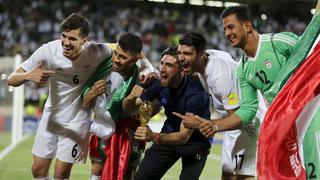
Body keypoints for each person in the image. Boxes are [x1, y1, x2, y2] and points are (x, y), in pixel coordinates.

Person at [174, 5, 298, 175]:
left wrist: (209, 124)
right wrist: (212, 125)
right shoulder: (243, 68)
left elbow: (313, 56)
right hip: (283, 124)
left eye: (231, 27)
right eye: (224, 29)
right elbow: (248, 109)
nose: (226, 33)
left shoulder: (279, 42)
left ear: (247, 25)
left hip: (304, 116)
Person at [176, 32, 266, 179]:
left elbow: (238, 117)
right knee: (228, 175)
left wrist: (200, 124)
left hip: (248, 124)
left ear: (201, 54)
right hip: (233, 125)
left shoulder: (219, 76)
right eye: (180, 53)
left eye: (187, 54)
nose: (181, 58)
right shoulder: (207, 59)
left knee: (242, 176)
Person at [122, 46, 211, 180]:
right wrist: (131, 97)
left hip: (195, 141)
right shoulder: (159, 84)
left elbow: (183, 137)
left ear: (182, 69)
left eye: (169, 65)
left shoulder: (196, 94)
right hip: (169, 134)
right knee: (142, 177)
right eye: (162, 63)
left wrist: (154, 136)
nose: (162, 68)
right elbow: (128, 109)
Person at [81, 33, 156, 180]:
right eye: (116, 53)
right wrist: (93, 93)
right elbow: (84, 104)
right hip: (101, 126)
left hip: (126, 132)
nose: (116, 59)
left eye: (123, 57)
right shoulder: (103, 63)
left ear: (135, 59)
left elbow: (154, 103)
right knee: (97, 167)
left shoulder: (144, 75)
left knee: (127, 172)